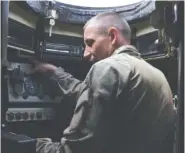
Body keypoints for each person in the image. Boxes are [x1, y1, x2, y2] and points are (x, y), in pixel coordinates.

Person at [35, 12, 175, 153]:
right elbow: (90, 94)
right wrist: (54, 72)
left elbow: (75, 149)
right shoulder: (157, 75)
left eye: (90, 43)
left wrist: (33, 145)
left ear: (112, 36)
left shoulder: (108, 67)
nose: (86, 53)